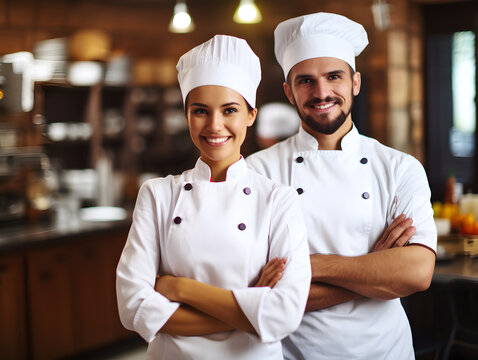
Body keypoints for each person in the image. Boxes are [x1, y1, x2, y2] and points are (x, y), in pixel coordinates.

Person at [247, 12, 437, 359]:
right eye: (306, 81)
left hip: (384, 350)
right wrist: (375, 268)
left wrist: (312, 265)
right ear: (289, 91)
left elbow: (417, 273)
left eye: (334, 76)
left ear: (355, 83)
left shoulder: (399, 168)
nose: (321, 92)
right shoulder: (257, 173)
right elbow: (260, 294)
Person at [116, 34, 311, 360]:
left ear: (251, 115)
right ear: (186, 114)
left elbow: (284, 315)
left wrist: (180, 290)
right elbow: (133, 307)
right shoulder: (158, 195)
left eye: (229, 110)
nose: (214, 125)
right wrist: (249, 309)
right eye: (201, 111)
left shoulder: (278, 200)